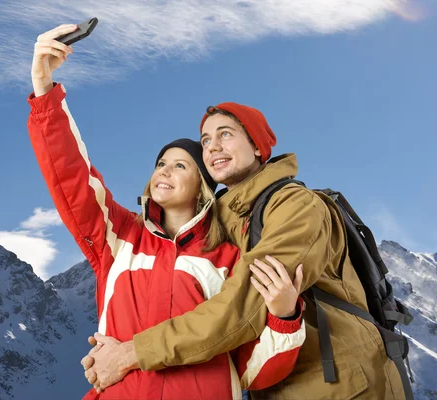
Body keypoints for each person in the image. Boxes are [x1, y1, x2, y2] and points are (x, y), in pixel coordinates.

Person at [28, 24, 307, 400]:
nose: (164, 170)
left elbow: (254, 373)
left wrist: (284, 317)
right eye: (161, 162)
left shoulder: (228, 258)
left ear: (202, 185)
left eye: (180, 166)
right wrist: (45, 89)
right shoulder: (118, 238)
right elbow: (71, 177)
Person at [81, 101, 408, 398]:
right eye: (206, 141)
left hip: (345, 384)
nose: (213, 147)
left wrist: (131, 354)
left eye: (225, 134)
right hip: (277, 387)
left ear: (256, 145)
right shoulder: (218, 221)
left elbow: (243, 304)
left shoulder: (296, 207)